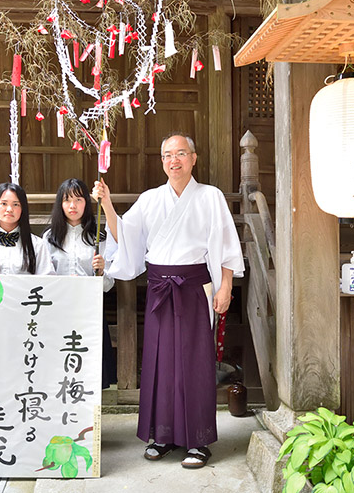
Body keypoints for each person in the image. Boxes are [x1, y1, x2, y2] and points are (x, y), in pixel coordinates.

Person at [92, 133, 245, 469]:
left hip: (194, 287)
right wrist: (106, 204)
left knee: (194, 363)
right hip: (161, 288)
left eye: (180, 154)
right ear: (162, 162)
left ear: (193, 158)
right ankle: (163, 436)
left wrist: (226, 286)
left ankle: (198, 440)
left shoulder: (210, 197)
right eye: (167, 155)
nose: (173, 160)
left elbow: (226, 245)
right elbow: (125, 237)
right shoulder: (150, 200)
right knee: (161, 363)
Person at [43, 178, 117, 389]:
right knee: (59, 366)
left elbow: (108, 285)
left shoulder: (99, 237)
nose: (73, 206)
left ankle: (90, 419)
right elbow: (43, 279)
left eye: (78, 199)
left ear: (87, 202)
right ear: (60, 204)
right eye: (67, 200)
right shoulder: (49, 238)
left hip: (89, 310)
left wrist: (101, 270)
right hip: (58, 311)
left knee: (89, 368)